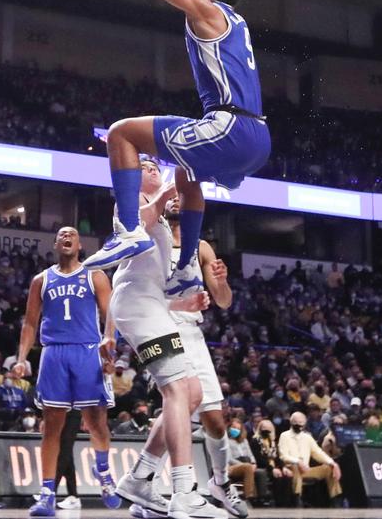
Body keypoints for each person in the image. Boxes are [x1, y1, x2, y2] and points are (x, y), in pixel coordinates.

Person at [83, 0, 270, 306]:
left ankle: (128, 230)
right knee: (187, 174)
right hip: (257, 138)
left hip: (229, 127)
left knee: (121, 135)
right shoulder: (228, 15)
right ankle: (186, 270)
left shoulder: (203, 7)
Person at [104, 160, 223, 519]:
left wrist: (185, 302)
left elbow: (151, 278)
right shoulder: (129, 201)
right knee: (177, 391)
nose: (154, 169)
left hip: (151, 304)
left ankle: (141, 476)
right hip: (137, 306)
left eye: (157, 166)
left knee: (194, 393)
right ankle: (183, 490)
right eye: (145, 165)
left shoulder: (161, 221)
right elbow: (138, 224)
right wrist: (170, 190)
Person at [15, 226, 118, 517]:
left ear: (80, 243)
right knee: (52, 426)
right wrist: (22, 357)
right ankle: (47, 493)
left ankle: (105, 476)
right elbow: (30, 323)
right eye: (61, 235)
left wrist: (110, 349)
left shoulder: (95, 275)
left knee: (96, 421)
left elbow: (110, 316)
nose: (66, 237)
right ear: (55, 244)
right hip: (54, 352)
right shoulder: (41, 279)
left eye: (71, 234)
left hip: (87, 350)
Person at [162, 189, 245, 516]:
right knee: (175, 411)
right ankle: (161, 488)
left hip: (192, 334)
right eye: (170, 196)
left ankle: (220, 482)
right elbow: (140, 297)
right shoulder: (153, 241)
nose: (176, 200)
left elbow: (223, 301)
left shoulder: (202, 246)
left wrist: (222, 282)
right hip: (161, 330)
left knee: (215, 422)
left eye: (181, 196)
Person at [277, 411, 343, 508]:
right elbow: (283, 455)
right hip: (291, 469)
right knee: (296, 467)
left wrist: (332, 463)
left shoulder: (307, 437)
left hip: (307, 470)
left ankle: (335, 499)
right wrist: (298, 461)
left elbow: (318, 453)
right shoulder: (284, 436)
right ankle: (297, 498)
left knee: (329, 468)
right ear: (291, 423)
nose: (299, 425)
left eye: (301, 423)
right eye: (296, 423)